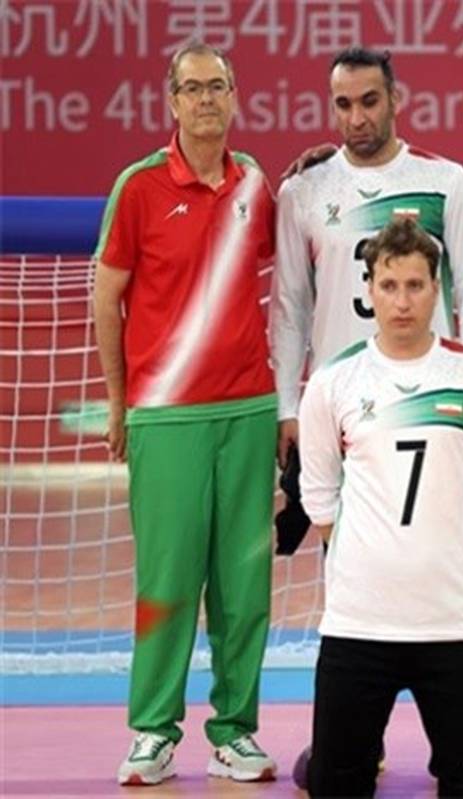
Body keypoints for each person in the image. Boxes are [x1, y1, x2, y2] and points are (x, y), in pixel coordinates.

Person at [94, 42, 278, 786]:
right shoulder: (138, 186)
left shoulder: (255, 185)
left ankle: (235, 732)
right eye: (192, 88)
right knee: (167, 582)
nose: (206, 99)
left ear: (235, 97)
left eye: (217, 86)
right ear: (171, 102)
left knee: (245, 585)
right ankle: (152, 731)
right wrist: (119, 401)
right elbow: (106, 296)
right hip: (165, 415)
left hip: (248, 409)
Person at [297, 218, 463, 797]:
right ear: (368, 289)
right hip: (358, 624)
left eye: (415, 286)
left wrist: (437, 558)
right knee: (335, 784)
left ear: (437, 289)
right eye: (389, 286)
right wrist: (372, 562)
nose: (403, 301)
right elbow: (319, 496)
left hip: (451, 624)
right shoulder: (335, 382)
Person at [270, 46, 463, 549]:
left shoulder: (445, 182)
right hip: (342, 402)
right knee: (346, 552)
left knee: (434, 547)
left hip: (429, 397)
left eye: (369, 101)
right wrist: (288, 405)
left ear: (396, 99)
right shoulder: (302, 191)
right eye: (343, 104)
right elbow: (289, 307)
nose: (357, 118)